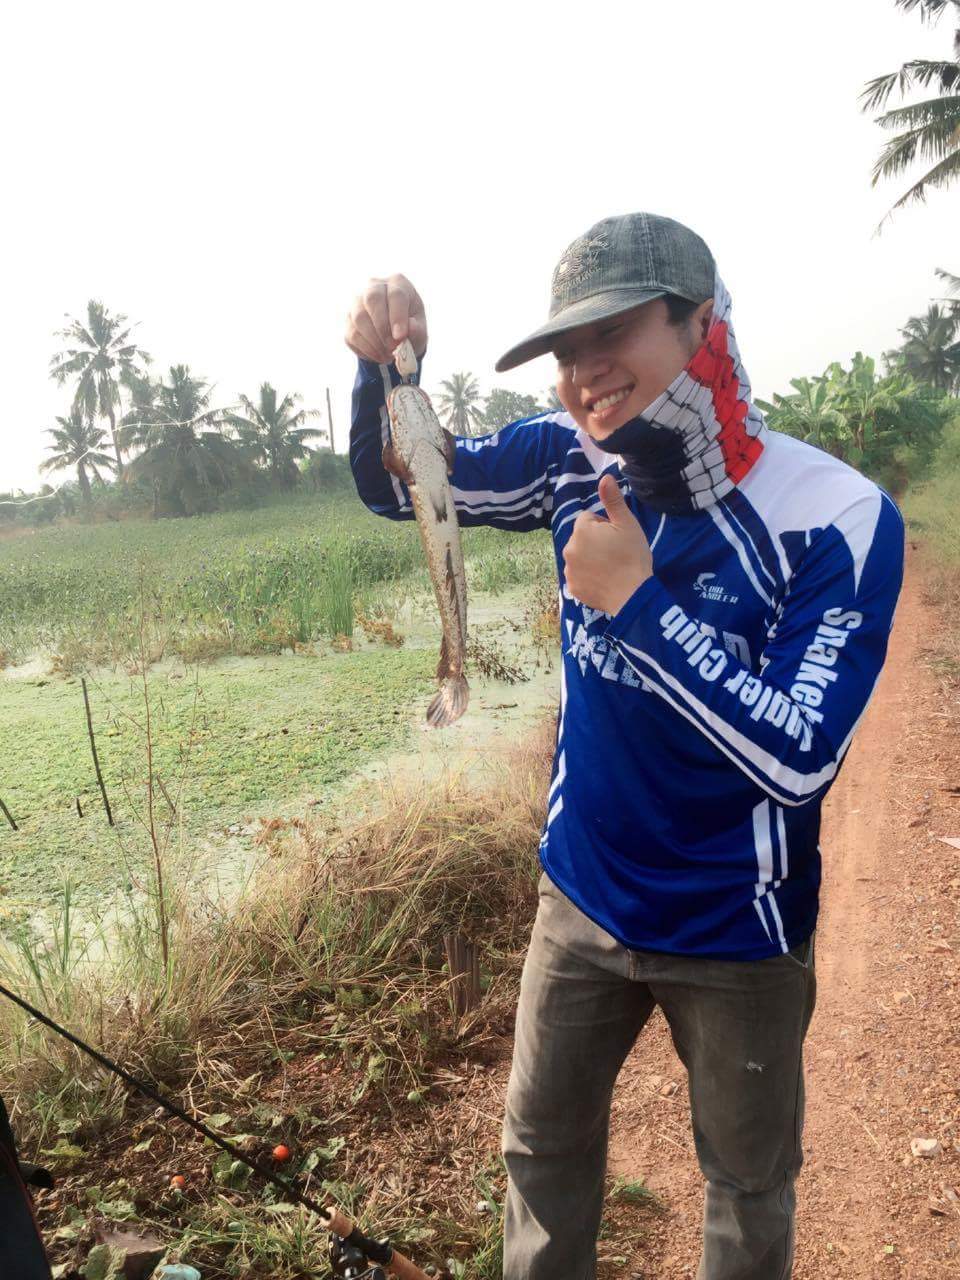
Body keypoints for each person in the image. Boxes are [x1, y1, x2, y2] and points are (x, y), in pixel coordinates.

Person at [344, 212, 904, 1280]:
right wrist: (383, 373)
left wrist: (640, 604)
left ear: (703, 321)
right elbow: (404, 487)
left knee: (747, 1188)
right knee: (541, 1155)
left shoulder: (834, 516)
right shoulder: (564, 460)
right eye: (565, 349)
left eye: (616, 333)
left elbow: (797, 753)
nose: (585, 373)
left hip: (739, 930)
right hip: (582, 899)